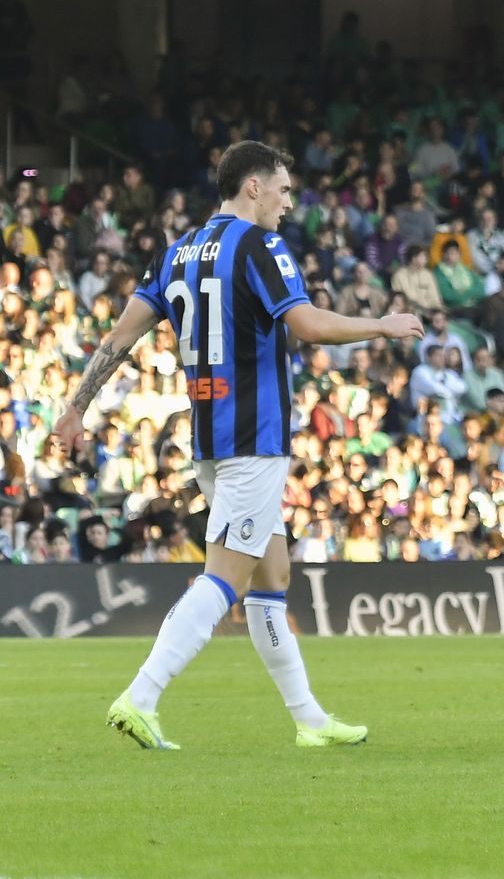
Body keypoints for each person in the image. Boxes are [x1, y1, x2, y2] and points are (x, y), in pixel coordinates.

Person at [52, 140, 423, 750]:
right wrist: (380, 324)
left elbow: (121, 336)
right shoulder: (259, 245)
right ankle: (140, 696)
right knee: (224, 578)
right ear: (253, 187)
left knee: (271, 577)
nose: (286, 202)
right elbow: (305, 325)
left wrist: (75, 407)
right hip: (255, 437)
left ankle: (308, 720)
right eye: (281, 189)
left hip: (210, 438)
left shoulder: (177, 252)